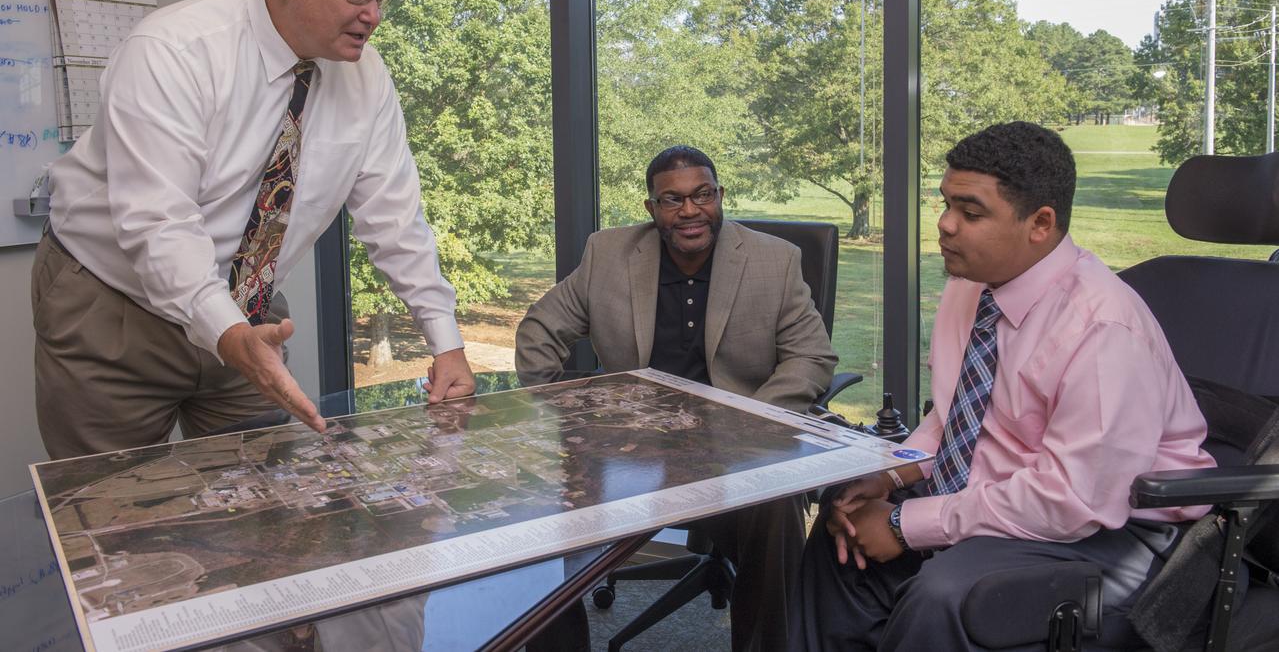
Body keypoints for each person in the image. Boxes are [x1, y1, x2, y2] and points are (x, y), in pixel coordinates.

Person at [33, 0, 475, 459]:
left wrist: (447, 341)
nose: (373, 15)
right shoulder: (173, 51)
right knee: (110, 512)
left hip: (247, 307)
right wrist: (227, 331)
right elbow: (157, 223)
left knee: (267, 506)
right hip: (112, 301)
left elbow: (394, 219)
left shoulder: (366, 76)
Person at [790, 121, 1217, 651]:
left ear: (1040, 223)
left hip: (1112, 530)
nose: (944, 225)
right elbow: (955, 418)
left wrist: (903, 524)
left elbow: (1075, 501)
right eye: (945, 204)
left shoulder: (1103, 327)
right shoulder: (971, 287)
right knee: (840, 533)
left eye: (970, 213)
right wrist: (893, 475)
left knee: (947, 596)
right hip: (999, 489)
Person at [516, 144, 838, 651]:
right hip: (631, 445)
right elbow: (540, 329)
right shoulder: (608, 254)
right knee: (538, 502)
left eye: (702, 195)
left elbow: (811, 358)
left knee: (775, 508)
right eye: (672, 200)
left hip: (737, 445)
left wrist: (747, 421)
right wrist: (560, 418)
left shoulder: (775, 261)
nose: (690, 210)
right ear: (652, 208)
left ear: (719, 195)